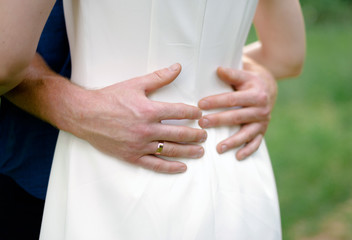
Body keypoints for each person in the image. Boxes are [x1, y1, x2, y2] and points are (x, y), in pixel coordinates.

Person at [0, 0, 305, 239]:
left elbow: (5, 63)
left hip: (110, 177)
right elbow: (286, 54)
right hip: (235, 168)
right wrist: (231, 73)